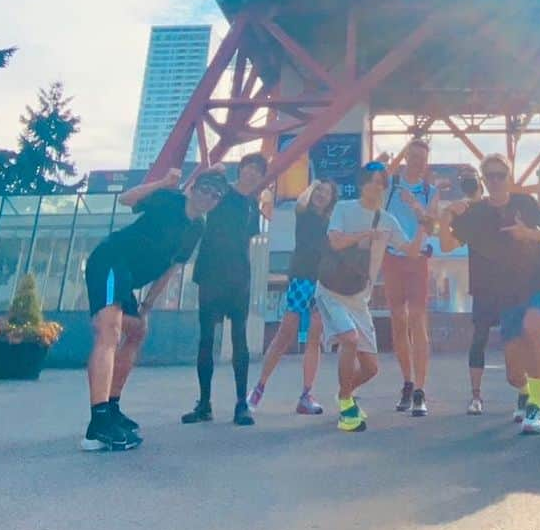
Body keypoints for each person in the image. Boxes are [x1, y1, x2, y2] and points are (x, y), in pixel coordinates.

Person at [82, 167, 214, 452]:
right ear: (194, 188)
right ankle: (99, 422)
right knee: (109, 332)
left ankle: (113, 406)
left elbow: (172, 268)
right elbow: (126, 199)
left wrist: (147, 305)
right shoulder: (170, 200)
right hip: (109, 260)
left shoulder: (197, 228)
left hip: (128, 276)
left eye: (216, 194)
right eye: (205, 189)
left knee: (138, 330)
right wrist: (162, 182)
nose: (209, 197)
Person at [438, 153, 540, 435]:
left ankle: (535, 408)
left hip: (538, 282)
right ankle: (525, 391)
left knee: (532, 330)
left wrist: (529, 234)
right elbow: (446, 245)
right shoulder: (476, 213)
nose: (495, 181)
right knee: (513, 373)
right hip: (506, 293)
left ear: (509, 177)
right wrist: (446, 215)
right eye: (490, 176)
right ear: (483, 180)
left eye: (500, 175)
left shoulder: (525, 203)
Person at [316, 161, 425, 433]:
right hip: (331, 290)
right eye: (371, 180)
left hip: (358, 298)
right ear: (361, 183)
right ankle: (345, 409)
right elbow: (335, 241)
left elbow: (410, 250)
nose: (375, 186)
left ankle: (345, 394)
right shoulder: (344, 208)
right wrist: (366, 234)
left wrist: (423, 221)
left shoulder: (389, 221)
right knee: (349, 340)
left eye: (381, 182)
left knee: (371, 368)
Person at [181, 152, 269, 428]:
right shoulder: (220, 192)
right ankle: (204, 402)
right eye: (248, 168)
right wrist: (208, 171)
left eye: (258, 170)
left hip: (238, 276)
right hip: (210, 272)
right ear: (240, 170)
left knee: (239, 340)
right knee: (206, 339)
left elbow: (248, 239)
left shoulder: (253, 206)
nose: (252, 173)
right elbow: (192, 196)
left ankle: (241, 404)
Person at [247, 178, 338, 415]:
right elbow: (301, 200)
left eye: (326, 192)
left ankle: (307, 394)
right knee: (285, 333)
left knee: (314, 337)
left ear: (331, 199)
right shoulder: (304, 213)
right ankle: (259, 387)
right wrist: (313, 184)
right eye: (318, 190)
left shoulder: (332, 223)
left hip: (322, 282)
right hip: (301, 278)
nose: (320, 194)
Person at [383, 136, 440, 416]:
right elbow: (376, 215)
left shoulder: (430, 191)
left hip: (418, 259)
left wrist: (415, 205)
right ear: (406, 157)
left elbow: (433, 225)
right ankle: (407, 382)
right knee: (398, 320)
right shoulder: (390, 185)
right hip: (392, 258)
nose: (418, 162)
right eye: (414, 156)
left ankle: (420, 389)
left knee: (418, 320)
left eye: (423, 158)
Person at [447, 165, 497, 414]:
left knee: (518, 340)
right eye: (464, 181)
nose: (469, 184)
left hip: (511, 283)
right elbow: (446, 244)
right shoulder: (463, 214)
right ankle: (476, 396)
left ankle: (526, 396)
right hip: (482, 285)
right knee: (479, 339)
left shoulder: (495, 205)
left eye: (472, 180)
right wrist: (448, 215)